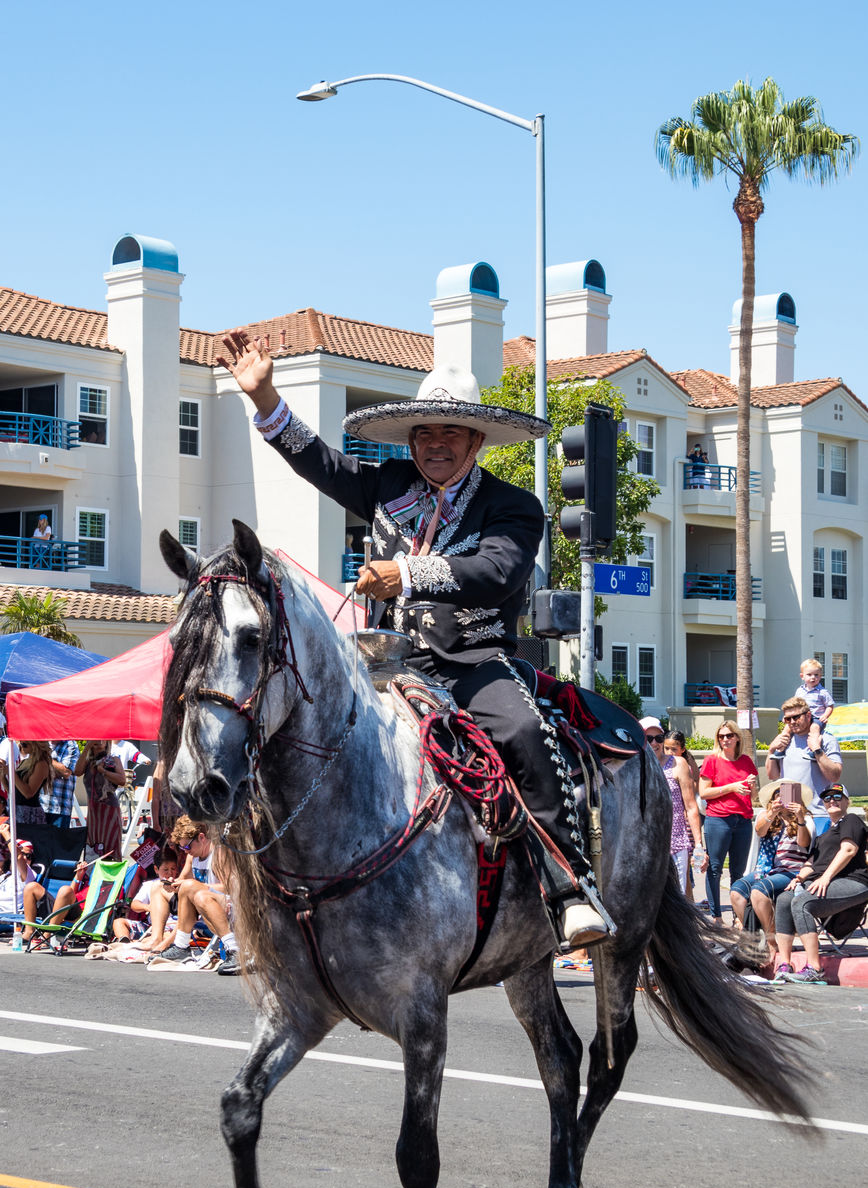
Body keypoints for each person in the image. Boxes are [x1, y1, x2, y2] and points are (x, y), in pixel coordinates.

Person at [217, 329, 609, 950]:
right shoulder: (389, 486)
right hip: (381, 665)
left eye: (451, 433)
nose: (435, 445)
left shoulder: (515, 506)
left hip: (472, 666)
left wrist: (404, 573)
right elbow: (319, 461)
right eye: (425, 432)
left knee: (525, 730)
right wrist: (265, 397)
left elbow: (498, 573)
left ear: (477, 441)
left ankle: (568, 887)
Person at [774, 784, 868, 983]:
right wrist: (798, 879)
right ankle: (784, 964)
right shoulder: (824, 834)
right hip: (823, 883)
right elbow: (810, 863)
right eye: (827, 798)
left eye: (837, 796)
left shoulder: (851, 820)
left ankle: (815, 968)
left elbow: (848, 850)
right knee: (784, 899)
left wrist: (825, 876)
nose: (832, 801)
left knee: (802, 903)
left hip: (853, 882)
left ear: (847, 801)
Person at [729, 779, 813, 948]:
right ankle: (753, 936)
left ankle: (772, 940)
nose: (782, 799)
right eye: (778, 795)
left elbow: (804, 844)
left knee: (759, 891)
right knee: (736, 892)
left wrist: (799, 818)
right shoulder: (765, 816)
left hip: (792, 870)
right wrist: (772, 814)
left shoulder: (806, 818)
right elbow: (760, 831)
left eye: (787, 795)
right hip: (766, 869)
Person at [153, 817, 240, 974]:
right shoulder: (192, 857)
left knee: (195, 891)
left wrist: (199, 886)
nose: (185, 851)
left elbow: (232, 887)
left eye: (187, 846)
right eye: (182, 848)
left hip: (228, 904)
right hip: (204, 904)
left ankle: (235, 950)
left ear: (201, 837)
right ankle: (178, 944)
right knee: (158, 887)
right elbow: (183, 881)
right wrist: (173, 884)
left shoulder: (219, 853)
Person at [698, 721, 759, 923]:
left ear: (737, 738)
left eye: (729, 735)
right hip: (718, 819)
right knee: (715, 868)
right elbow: (704, 792)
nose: (725, 739)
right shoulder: (711, 761)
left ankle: (738, 916)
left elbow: (754, 794)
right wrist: (732, 787)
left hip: (742, 821)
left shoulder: (746, 761)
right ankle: (716, 916)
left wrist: (749, 786)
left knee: (738, 871)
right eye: (721, 736)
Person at [642, 717, 703, 893]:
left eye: (659, 738)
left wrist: (698, 845)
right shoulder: (635, 764)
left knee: (679, 895)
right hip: (647, 843)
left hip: (676, 841)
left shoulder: (678, 764)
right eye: (648, 738)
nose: (654, 743)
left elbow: (691, 806)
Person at [765, 697, 842, 835]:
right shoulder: (785, 741)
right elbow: (773, 775)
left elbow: (835, 775)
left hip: (817, 815)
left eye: (796, 717)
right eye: (788, 719)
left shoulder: (826, 739)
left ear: (808, 715)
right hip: (788, 816)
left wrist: (817, 750)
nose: (792, 722)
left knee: (816, 857)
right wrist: (771, 750)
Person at [112, 845, 180, 948]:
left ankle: (141, 943)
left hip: (173, 927)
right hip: (152, 927)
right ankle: (125, 941)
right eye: (165, 869)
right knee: (118, 922)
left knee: (169, 935)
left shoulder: (180, 884)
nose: (170, 873)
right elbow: (134, 904)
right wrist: (148, 907)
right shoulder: (150, 885)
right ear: (156, 869)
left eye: (173, 869)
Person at [74, 741, 125, 858]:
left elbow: (122, 780)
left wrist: (104, 772)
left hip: (109, 810)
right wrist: (87, 747)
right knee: (92, 848)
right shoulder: (87, 762)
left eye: (102, 739)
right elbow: (77, 772)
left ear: (107, 743)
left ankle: (111, 874)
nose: (98, 741)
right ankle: (92, 875)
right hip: (93, 813)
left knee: (110, 847)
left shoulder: (113, 759)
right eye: (95, 738)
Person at [12, 741, 55, 824]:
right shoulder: (25, 761)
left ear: (35, 744)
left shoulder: (41, 764)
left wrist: (12, 774)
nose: (21, 745)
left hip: (29, 812)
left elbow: (29, 793)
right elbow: (14, 790)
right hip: (17, 810)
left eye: (25, 743)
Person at [41, 740, 80, 828]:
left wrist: (44, 757)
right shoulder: (42, 743)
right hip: (40, 806)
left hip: (59, 809)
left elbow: (66, 772)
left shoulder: (70, 744)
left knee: (58, 841)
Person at [0, 826, 36, 917]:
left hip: (8, 915)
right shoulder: (6, 875)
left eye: (29, 856)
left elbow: (18, 857)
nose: (25, 858)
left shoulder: (29, 873)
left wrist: (6, 833)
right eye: (23, 854)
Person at [794, 658, 835, 726]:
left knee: (814, 727)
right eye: (809, 674)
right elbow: (795, 705)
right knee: (789, 726)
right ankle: (784, 736)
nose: (813, 677)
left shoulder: (823, 692)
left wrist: (825, 716)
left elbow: (830, 706)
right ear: (802, 676)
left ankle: (815, 736)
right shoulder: (799, 690)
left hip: (817, 719)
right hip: (801, 717)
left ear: (820, 676)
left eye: (816, 675)